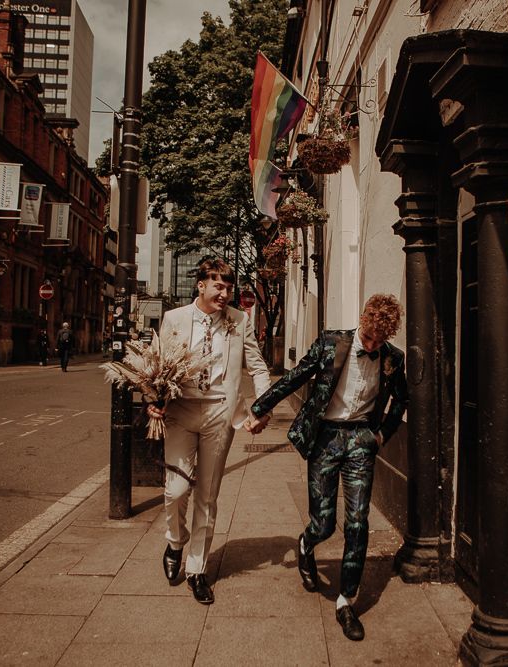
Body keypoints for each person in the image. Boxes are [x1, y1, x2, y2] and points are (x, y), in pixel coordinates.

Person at [246, 294, 408, 641]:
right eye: (369, 336)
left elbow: (401, 400)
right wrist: (260, 407)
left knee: (357, 522)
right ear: (362, 319)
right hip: (325, 439)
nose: (373, 343)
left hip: (361, 441)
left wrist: (381, 436)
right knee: (324, 524)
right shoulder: (331, 342)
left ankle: (346, 601)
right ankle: (307, 544)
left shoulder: (394, 359)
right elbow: (295, 377)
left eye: (380, 340)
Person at [147, 259, 271, 605]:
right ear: (200, 285)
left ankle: (197, 569)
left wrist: (261, 406)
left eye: (229, 287)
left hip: (220, 412)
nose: (225, 293)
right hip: (181, 412)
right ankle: (175, 541)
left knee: (207, 495)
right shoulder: (174, 319)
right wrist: (152, 400)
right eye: (219, 286)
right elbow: (157, 365)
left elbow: (257, 367)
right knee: (175, 490)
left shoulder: (240, 320)